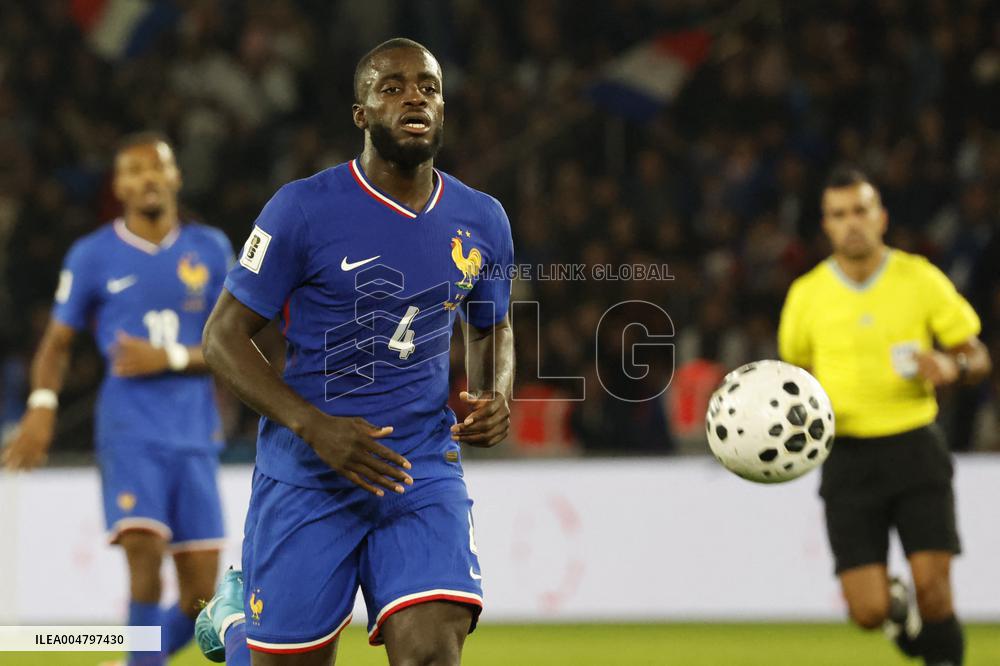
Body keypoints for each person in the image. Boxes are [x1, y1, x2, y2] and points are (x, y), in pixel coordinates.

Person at [195, 37, 514, 666]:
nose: (412, 96)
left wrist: (495, 390)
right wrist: (315, 427)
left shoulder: (482, 219)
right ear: (361, 114)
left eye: (427, 85)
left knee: (430, 654)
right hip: (310, 473)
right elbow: (221, 340)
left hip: (420, 468)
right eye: (390, 87)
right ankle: (234, 626)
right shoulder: (301, 211)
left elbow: (491, 324)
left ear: (443, 108)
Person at [2, 133, 234, 665]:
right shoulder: (93, 255)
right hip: (129, 432)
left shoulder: (212, 248)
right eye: (133, 170)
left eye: (157, 167)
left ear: (176, 177)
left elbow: (237, 343)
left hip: (196, 433)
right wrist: (41, 406)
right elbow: (57, 344)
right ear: (118, 186)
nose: (147, 178)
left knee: (202, 595)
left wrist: (170, 357)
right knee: (144, 556)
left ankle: (131, 660)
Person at [778, 167, 992, 666]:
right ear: (825, 225)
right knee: (867, 610)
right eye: (838, 214)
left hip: (915, 445)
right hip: (847, 457)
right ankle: (897, 610)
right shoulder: (807, 295)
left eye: (860, 210)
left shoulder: (919, 278)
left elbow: (978, 356)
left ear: (882, 217)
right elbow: (795, 380)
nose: (851, 223)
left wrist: (952, 364)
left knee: (934, 589)